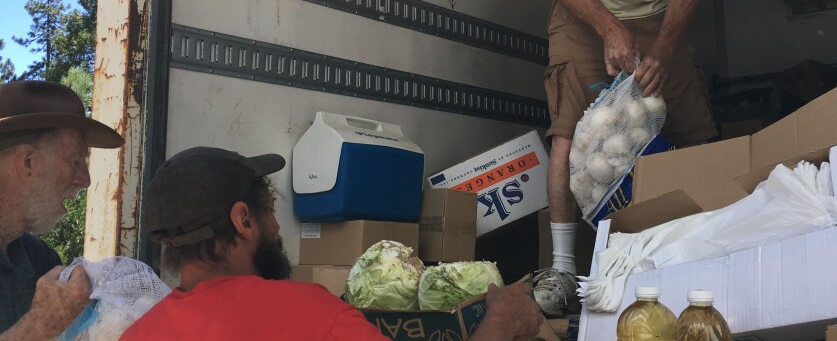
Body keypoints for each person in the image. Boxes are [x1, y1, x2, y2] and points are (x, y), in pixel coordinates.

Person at [536, 0, 732, 316]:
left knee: (698, 129)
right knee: (568, 132)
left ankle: (709, 251)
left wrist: (663, 49)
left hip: (657, 15)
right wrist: (607, 26)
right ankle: (561, 271)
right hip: (584, 9)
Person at [121, 146, 542, 340]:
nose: (278, 229)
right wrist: (501, 322)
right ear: (243, 220)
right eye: (269, 212)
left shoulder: (136, 336)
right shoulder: (310, 315)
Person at [0, 80, 124, 339]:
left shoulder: (41, 260)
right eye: (74, 161)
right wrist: (39, 326)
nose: (85, 180)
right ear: (28, 161)